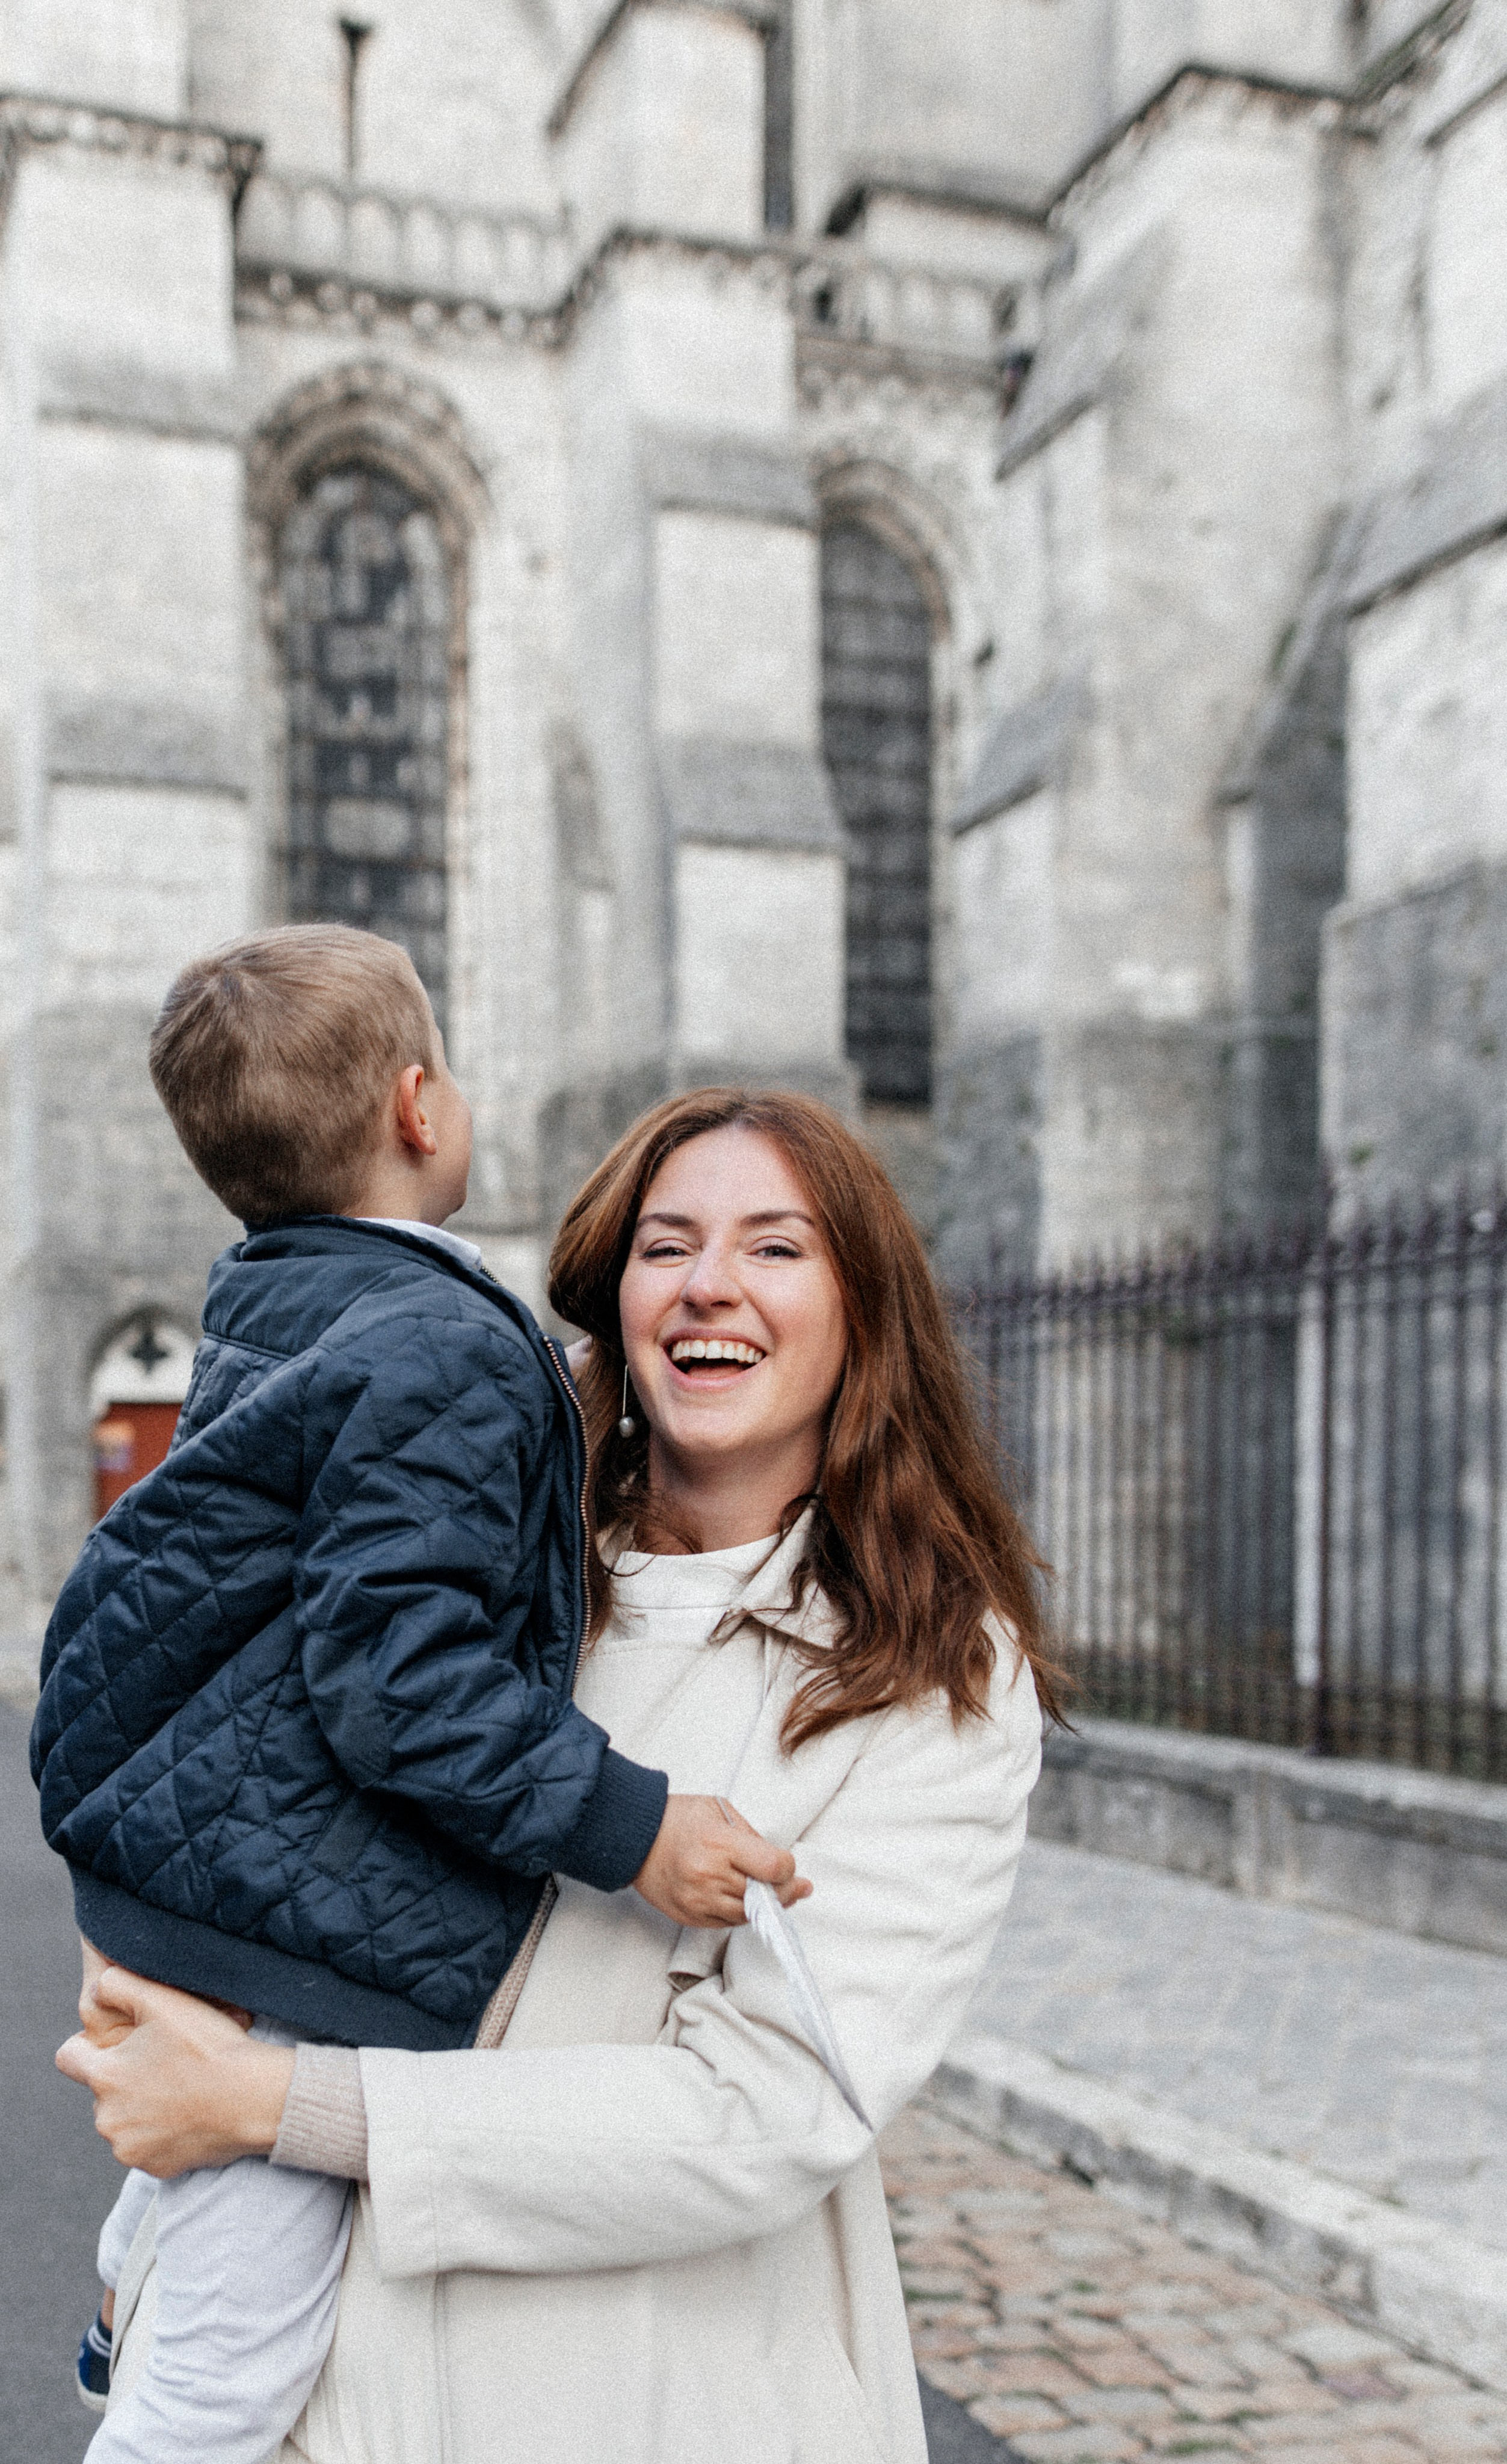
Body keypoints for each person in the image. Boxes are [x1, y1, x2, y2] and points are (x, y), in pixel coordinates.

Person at [59, 1086, 1059, 2464]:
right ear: (614, 1287)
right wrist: (173, 1968)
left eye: (775, 1247)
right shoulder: (450, 1557)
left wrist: (263, 2101)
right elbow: (238, 1772)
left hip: (630, 2395)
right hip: (304, 2392)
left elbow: (762, 2111)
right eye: (666, 1245)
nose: (711, 1283)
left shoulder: (926, 1665)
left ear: (863, 1307)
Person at [32, 938, 801, 2463]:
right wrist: (631, 1826)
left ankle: (137, 2253)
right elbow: (398, 1672)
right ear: (417, 1106)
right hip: (294, 1927)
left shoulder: (286, 1298)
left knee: (217, 2210)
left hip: (217, 1866)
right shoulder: (437, 1340)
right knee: (224, 2387)